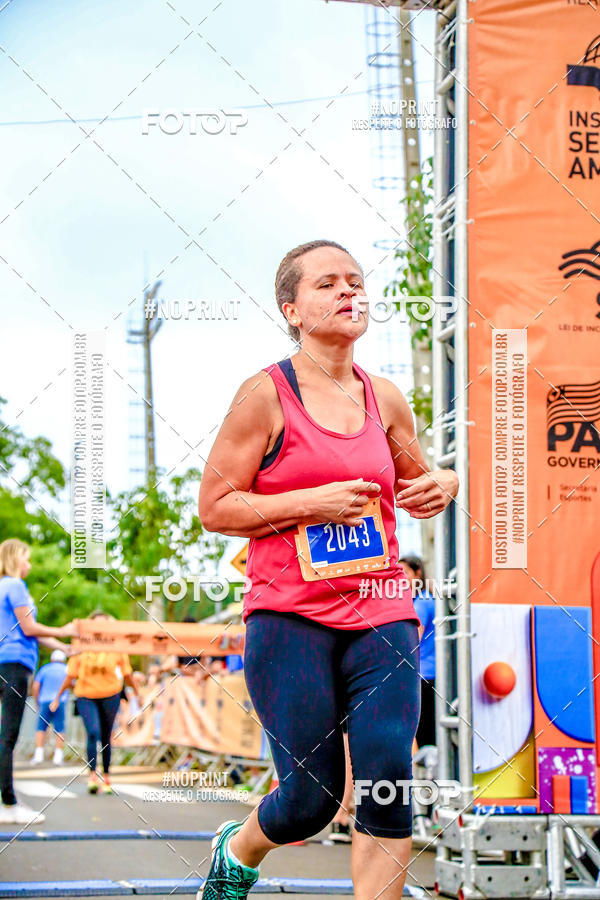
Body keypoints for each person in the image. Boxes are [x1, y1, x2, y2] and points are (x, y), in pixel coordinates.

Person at [197, 240, 459, 899]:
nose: (348, 292)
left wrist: (446, 481)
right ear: (292, 308)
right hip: (290, 617)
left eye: (355, 281)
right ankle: (239, 849)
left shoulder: (387, 399)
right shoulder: (264, 395)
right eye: (327, 284)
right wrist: (309, 501)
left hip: (383, 613)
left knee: (386, 780)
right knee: (311, 801)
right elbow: (215, 506)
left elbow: (417, 480)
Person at [0, 539, 76, 824]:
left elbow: (33, 634)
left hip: (4, 661)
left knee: (3, 736)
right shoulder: (15, 585)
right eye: (27, 559)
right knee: (7, 736)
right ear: (16, 558)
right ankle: (8, 804)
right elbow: (29, 628)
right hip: (15, 665)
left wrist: (65, 648)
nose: (29, 565)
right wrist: (64, 629)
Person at [50, 610, 140, 794]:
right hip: (86, 695)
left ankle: (106, 775)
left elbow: (127, 673)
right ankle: (92, 775)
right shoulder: (81, 645)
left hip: (111, 694)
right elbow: (70, 675)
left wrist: (137, 693)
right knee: (93, 732)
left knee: (106, 736)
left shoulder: (116, 646)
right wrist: (57, 697)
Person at [400, 556, 437, 750]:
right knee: (427, 735)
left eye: (405, 572)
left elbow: (412, 640)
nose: (401, 578)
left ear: (418, 574)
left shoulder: (421, 602)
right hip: (427, 676)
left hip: (424, 677)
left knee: (425, 737)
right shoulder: (424, 599)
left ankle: (432, 778)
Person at [32, 649, 69, 766]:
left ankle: (38, 755)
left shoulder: (45, 669)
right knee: (60, 728)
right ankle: (58, 757)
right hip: (60, 701)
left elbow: (36, 686)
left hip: (45, 700)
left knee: (41, 727)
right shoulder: (66, 669)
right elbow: (72, 683)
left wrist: (36, 700)